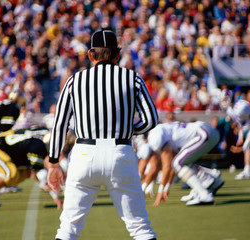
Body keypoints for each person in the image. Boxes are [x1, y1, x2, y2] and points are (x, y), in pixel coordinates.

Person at [47, 30, 158, 240]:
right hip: (120, 151)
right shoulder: (131, 78)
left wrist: (53, 163)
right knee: (140, 228)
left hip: (84, 154)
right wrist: (128, 129)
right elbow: (151, 118)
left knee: (68, 229)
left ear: (90, 55)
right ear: (117, 54)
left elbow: (59, 124)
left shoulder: (74, 81)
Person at [0, 128, 50, 210]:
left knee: (16, 174)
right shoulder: (37, 145)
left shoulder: (31, 138)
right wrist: (52, 192)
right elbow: (37, 172)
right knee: (10, 173)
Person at [147, 121, 222, 206]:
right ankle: (211, 180)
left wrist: (160, 191)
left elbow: (167, 166)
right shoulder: (164, 131)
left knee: (177, 163)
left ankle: (204, 194)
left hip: (203, 133)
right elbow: (171, 167)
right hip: (211, 133)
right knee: (183, 163)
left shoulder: (155, 134)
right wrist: (166, 188)